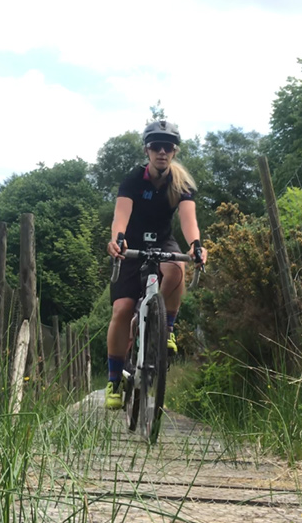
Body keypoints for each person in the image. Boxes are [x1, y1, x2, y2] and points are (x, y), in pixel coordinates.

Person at [104, 119, 207, 410]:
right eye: (155, 146)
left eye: (168, 147)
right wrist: (118, 239)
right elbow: (120, 217)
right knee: (122, 309)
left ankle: (168, 327)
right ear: (147, 150)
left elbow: (189, 221)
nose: (162, 152)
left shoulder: (181, 183)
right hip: (132, 245)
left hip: (162, 242)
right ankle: (113, 380)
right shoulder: (133, 180)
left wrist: (196, 246)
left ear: (174, 151)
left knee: (177, 268)